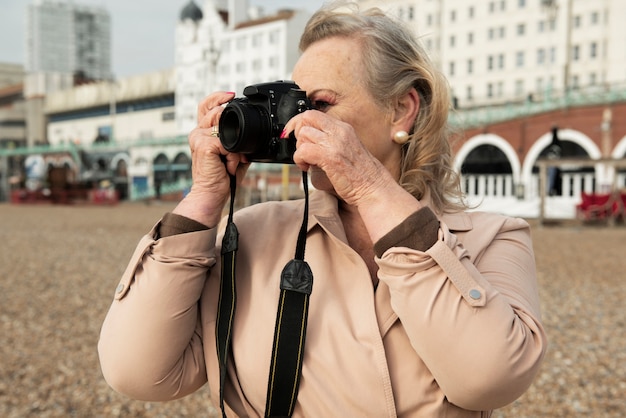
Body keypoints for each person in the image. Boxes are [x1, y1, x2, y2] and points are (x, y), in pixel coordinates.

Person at [98, 2, 547, 417]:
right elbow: (137, 372)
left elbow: (489, 379)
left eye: (320, 105)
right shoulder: (250, 236)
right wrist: (204, 199)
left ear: (401, 110)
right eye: (295, 104)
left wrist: (369, 186)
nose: (297, 125)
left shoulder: (490, 238)